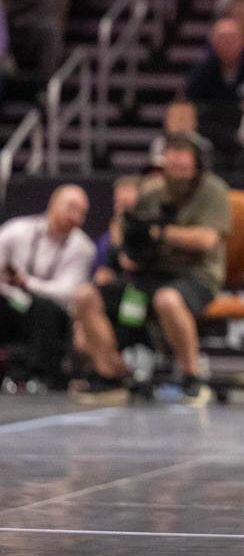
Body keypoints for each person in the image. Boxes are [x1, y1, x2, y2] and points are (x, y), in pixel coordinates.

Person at [71, 135, 230, 404]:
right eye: (171, 158)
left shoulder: (213, 190)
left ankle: (193, 378)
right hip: (150, 274)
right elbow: (128, 233)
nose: (177, 165)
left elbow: (206, 240)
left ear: (197, 163)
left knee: (166, 299)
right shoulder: (153, 192)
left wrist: (160, 234)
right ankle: (111, 375)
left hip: (197, 276)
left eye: (183, 159)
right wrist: (127, 243)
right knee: (86, 295)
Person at [0, 184, 93, 388]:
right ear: (53, 204)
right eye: (71, 208)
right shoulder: (17, 230)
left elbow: (67, 293)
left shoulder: (82, 247)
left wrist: (27, 282)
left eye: (82, 213)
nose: (75, 217)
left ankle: (36, 376)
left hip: (53, 314)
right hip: (11, 302)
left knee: (44, 308)